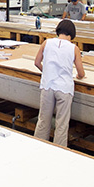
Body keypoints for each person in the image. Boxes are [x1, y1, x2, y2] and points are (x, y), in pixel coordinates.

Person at [33, 19, 85, 147]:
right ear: (72, 34)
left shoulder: (47, 43)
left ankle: (37, 148)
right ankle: (59, 153)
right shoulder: (74, 48)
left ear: (58, 31)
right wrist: (79, 76)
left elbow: (37, 62)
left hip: (48, 86)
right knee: (61, 124)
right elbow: (81, 73)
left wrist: (47, 72)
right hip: (64, 89)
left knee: (43, 121)